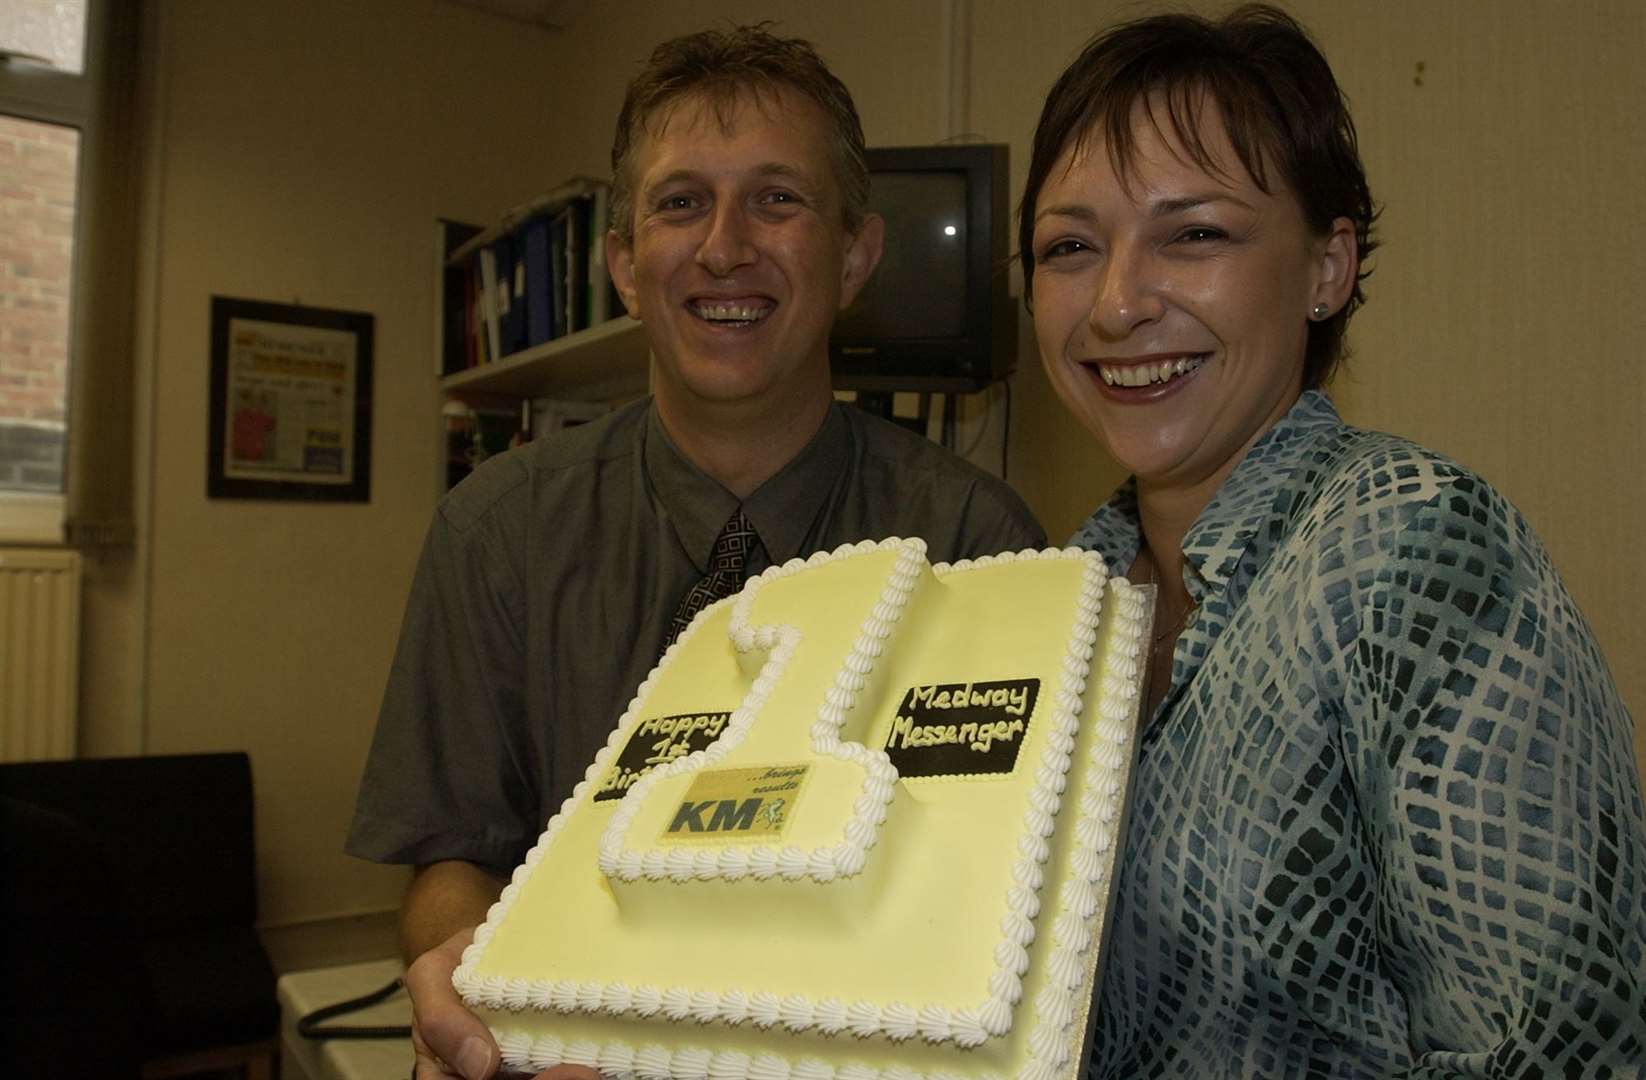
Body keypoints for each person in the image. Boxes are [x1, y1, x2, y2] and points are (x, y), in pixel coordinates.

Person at [347, 24, 1044, 1080]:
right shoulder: (493, 534)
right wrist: (464, 976)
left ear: (853, 254)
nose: (725, 246)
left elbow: (990, 899)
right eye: (680, 203)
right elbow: (456, 857)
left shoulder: (977, 545)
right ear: (625, 266)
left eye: (777, 198)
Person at [1019, 5, 1646, 1076]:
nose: (1115, 304)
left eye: (1194, 234)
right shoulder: (1047, 606)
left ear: (1326, 267)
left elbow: (1558, 1052)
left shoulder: (1415, 552)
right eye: (1070, 246)